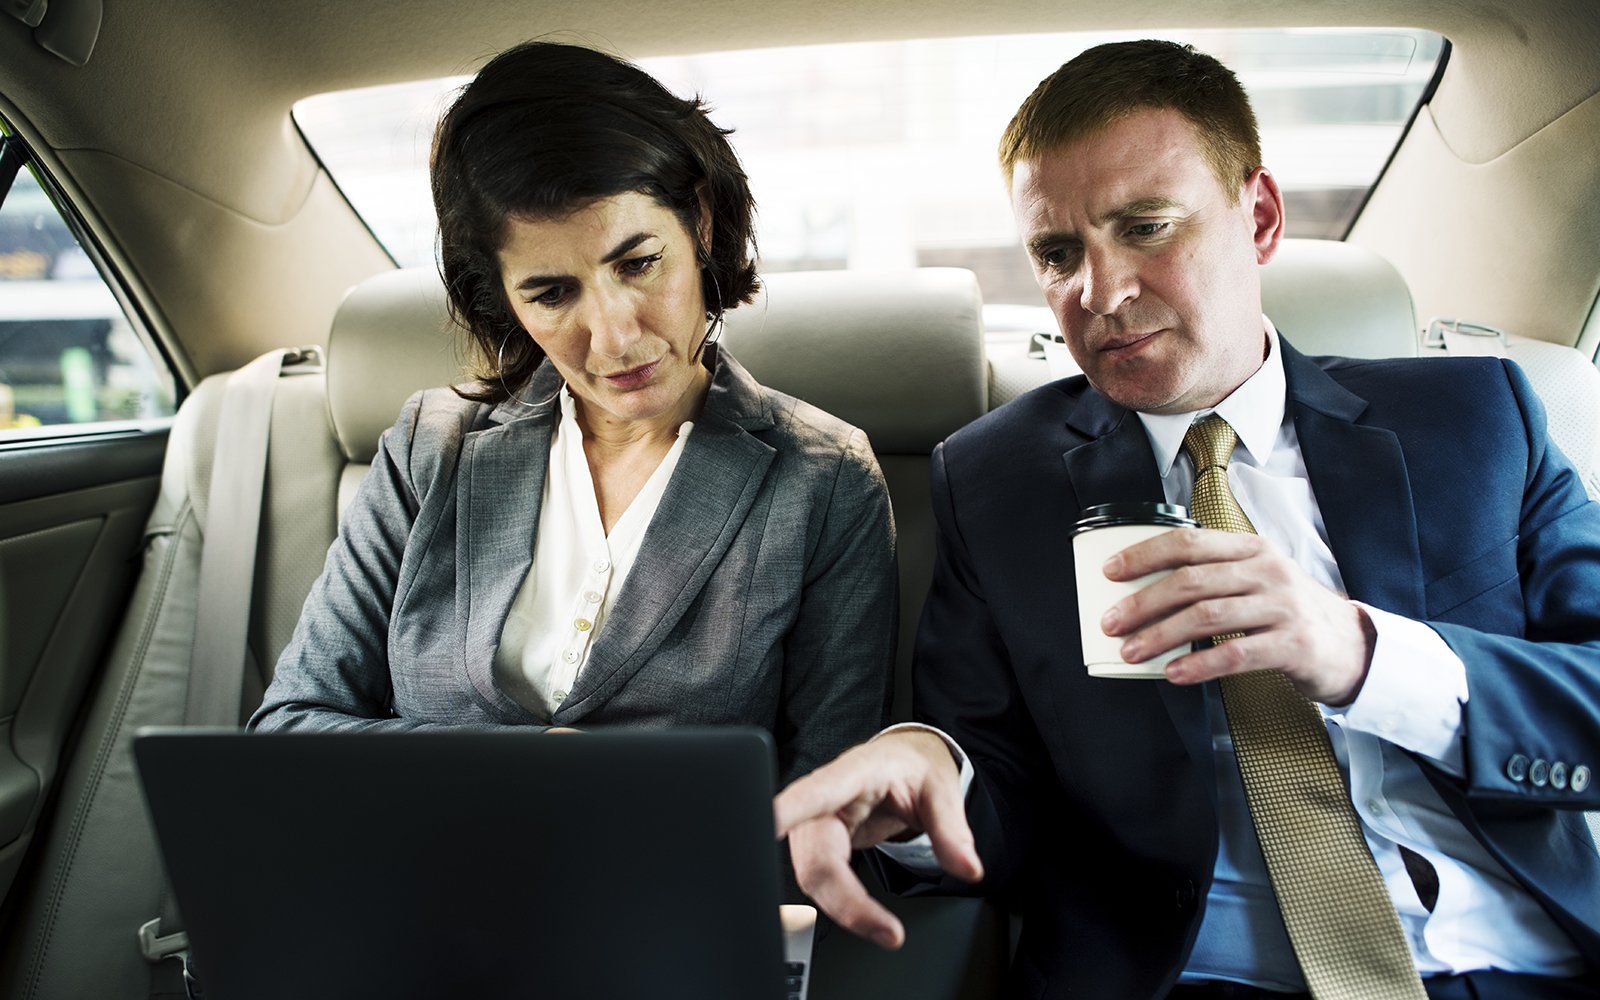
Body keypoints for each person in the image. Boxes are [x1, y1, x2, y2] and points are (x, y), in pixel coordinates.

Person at [775, 39, 1600, 998]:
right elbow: (992, 776)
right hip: (1194, 976)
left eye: (1147, 228)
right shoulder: (995, 481)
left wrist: (1366, 653)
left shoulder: (1473, 421)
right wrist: (929, 779)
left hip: (1521, 964)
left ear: (1258, 217)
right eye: (1057, 253)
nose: (1101, 294)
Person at [251, 41, 896, 786]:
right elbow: (290, 729)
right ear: (503, 300)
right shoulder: (430, 450)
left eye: (638, 263)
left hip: (675, 896)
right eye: (553, 294)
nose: (615, 336)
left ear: (702, 229)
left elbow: (834, 809)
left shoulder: (824, 480)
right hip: (420, 888)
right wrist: (531, 772)